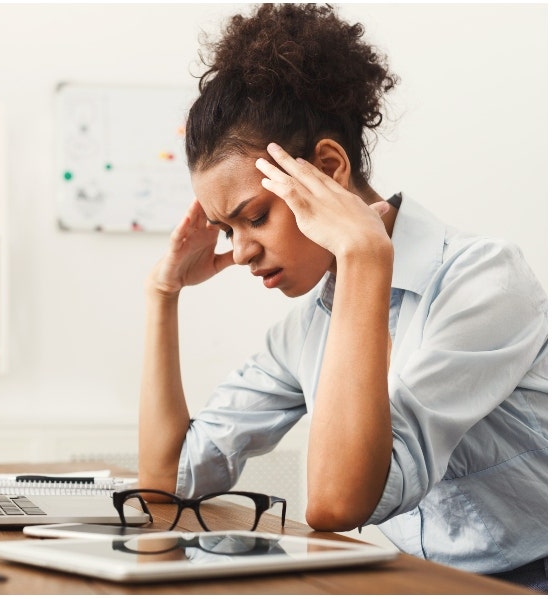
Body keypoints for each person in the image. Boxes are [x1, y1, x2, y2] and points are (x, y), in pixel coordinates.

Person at [138, 4, 547, 590]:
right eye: (228, 231)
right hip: (423, 580)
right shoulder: (305, 327)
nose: (243, 251)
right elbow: (166, 482)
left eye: (254, 216)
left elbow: (337, 505)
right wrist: (163, 291)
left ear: (328, 169)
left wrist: (361, 253)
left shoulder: (484, 279)